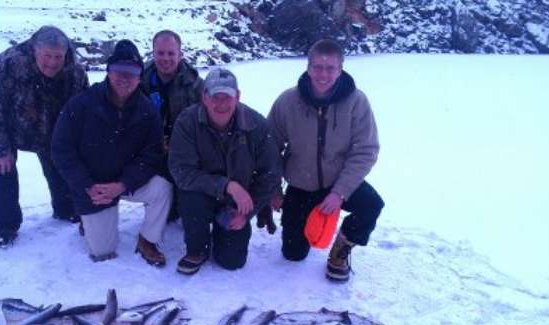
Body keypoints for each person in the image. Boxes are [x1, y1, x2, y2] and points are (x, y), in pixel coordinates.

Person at [267, 39, 384, 282]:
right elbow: (269, 148)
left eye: (330, 68)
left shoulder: (356, 101)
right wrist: (274, 189)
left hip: (338, 181)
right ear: (308, 68)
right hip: (300, 184)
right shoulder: (287, 101)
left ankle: (340, 250)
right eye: (317, 67)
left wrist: (339, 193)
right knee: (293, 253)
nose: (323, 74)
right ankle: (305, 224)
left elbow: (366, 150)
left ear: (341, 69)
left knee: (371, 205)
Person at [51, 40, 172, 266]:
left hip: (127, 182)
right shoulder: (81, 104)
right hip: (92, 186)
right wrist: (86, 184)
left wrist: (123, 184)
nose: (125, 78)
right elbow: (61, 149)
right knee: (102, 252)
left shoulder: (148, 111)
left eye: (133, 72)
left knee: (162, 189)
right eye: (119, 70)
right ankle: (90, 221)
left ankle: (148, 240)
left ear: (139, 76)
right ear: (108, 71)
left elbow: (152, 154)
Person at [0, 25, 88, 248]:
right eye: (47, 56)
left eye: (58, 56)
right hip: (12, 129)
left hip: (53, 131)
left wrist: (75, 144)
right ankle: (5, 225)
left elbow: (83, 108)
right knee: (1, 169)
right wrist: (0, 149)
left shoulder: (75, 71)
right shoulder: (9, 63)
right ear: (34, 50)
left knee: (63, 170)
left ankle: (65, 208)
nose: (53, 62)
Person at [168, 68, 280, 275]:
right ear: (204, 96)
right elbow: (181, 171)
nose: (221, 104)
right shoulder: (187, 121)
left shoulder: (256, 124)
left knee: (232, 261)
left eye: (227, 97)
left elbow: (271, 174)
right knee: (191, 198)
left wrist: (249, 211)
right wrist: (227, 185)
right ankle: (197, 249)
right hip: (202, 194)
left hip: (237, 201)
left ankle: (223, 231)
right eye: (215, 96)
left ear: (237, 96)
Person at [139, 30, 204, 222]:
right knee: (163, 211)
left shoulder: (196, 85)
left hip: (186, 153)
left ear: (180, 54)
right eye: (160, 53)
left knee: (185, 211)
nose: (165, 58)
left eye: (170, 53)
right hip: (150, 150)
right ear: (153, 53)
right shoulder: (140, 82)